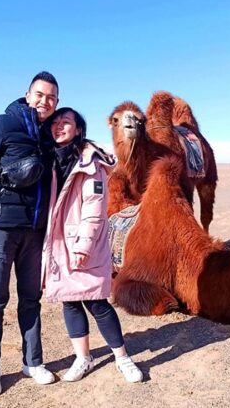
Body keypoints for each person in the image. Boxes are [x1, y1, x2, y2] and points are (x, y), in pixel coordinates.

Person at [0, 71, 60, 397]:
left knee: (31, 299)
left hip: (34, 233)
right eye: (40, 94)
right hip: (0, 230)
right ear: (28, 95)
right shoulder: (0, 125)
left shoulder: (49, 137)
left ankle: (33, 362)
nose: (45, 101)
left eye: (52, 97)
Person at [42, 108, 143, 383]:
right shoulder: (48, 159)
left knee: (97, 302)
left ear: (78, 129)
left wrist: (82, 246)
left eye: (67, 123)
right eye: (56, 122)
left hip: (82, 244)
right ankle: (82, 358)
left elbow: (94, 209)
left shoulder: (90, 163)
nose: (60, 127)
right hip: (57, 244)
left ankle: (122, 358)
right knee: (70, 301)